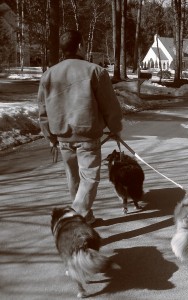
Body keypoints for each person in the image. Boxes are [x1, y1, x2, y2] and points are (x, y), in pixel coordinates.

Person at [37, 30, 123, 224]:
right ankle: (74, 218)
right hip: (87, 136)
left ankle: (87, 218)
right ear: (80, 46)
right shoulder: (95, 71)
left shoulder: (48, 74)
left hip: (63, 137)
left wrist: (49, 136)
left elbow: (43, 110)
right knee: (90, 178)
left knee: (74, 178)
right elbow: (110, 105)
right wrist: (115, 128)